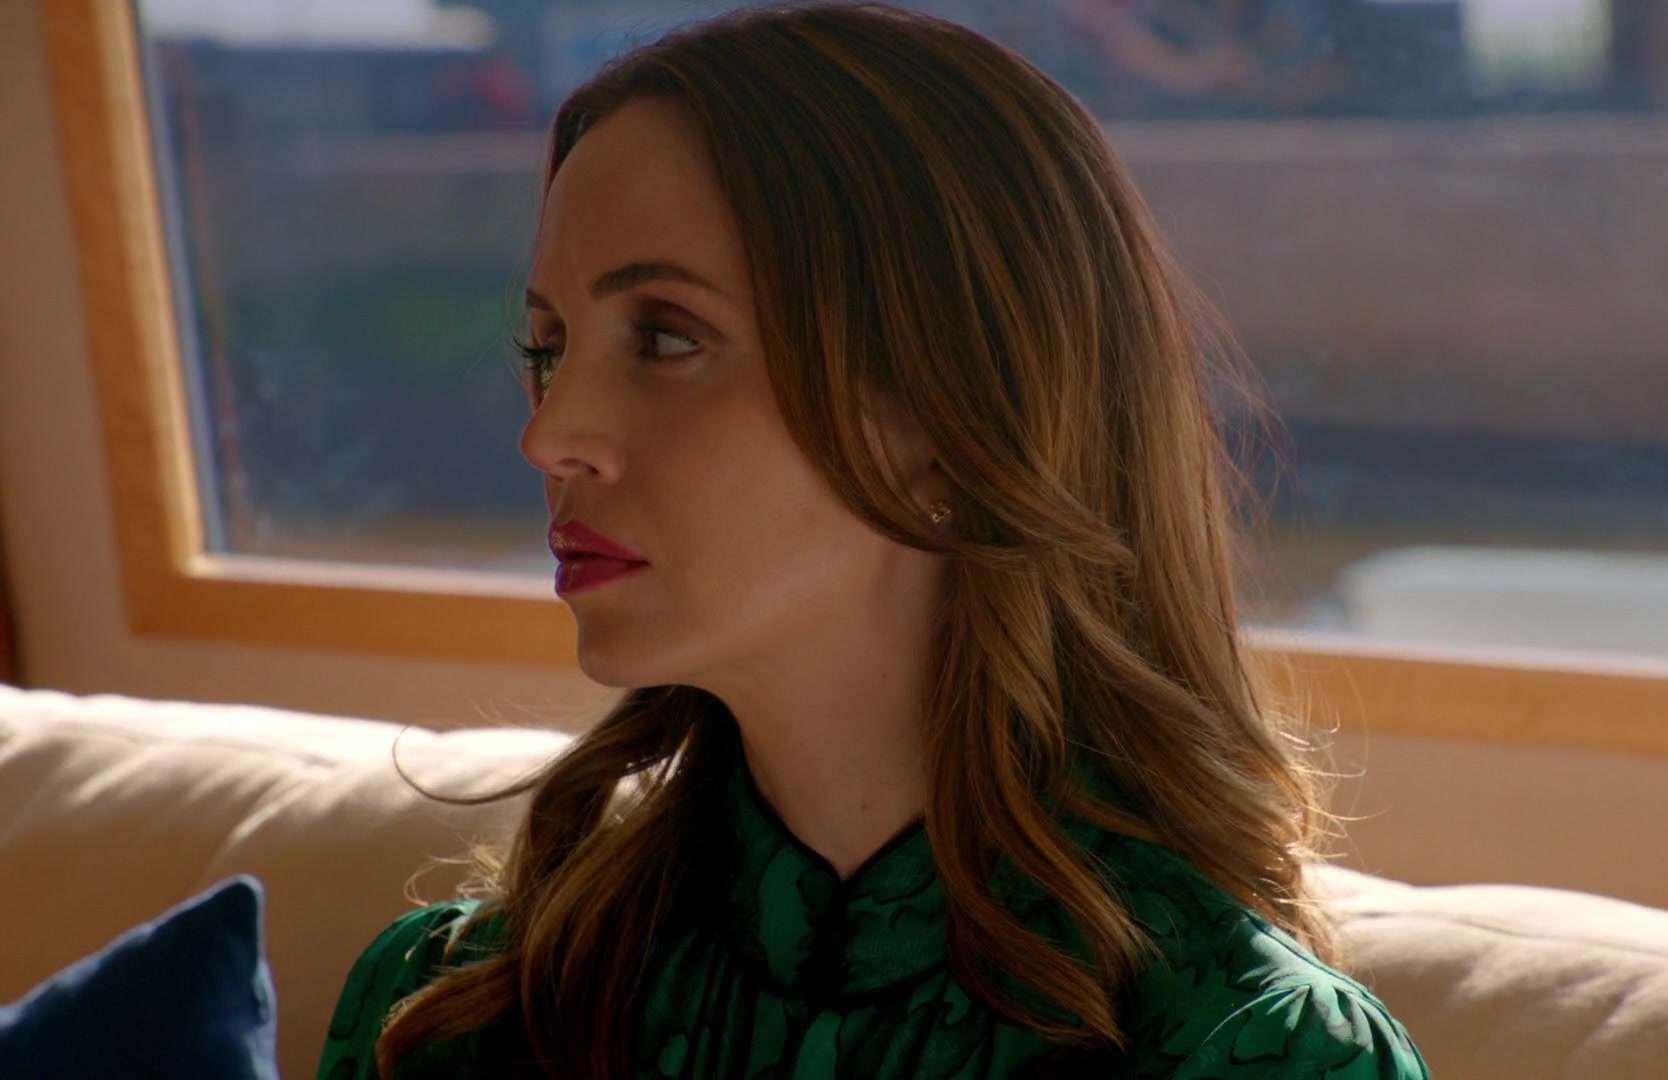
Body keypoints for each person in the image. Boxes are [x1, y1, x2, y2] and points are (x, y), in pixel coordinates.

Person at [317, 3, 1429, 1077]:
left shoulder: (1252, 1052)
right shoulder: (450, 1011)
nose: (549, 434)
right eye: (548, 347)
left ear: (948, 416)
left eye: (665, 337)